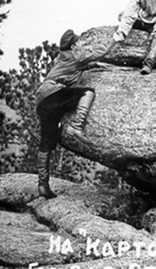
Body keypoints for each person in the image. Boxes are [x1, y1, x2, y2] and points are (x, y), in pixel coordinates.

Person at [34, 30, 116, 198]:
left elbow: (77, 67)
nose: (79, 45)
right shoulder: (75, 55)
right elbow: (100, 52)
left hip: (42, 100)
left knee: (46, 143)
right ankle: (76, 126)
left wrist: (92, 65)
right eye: (77, 43)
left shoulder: (63, 57)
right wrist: (116, 38)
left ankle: (43, 185)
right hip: (54, 93)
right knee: (88, 93)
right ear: (72, 45)